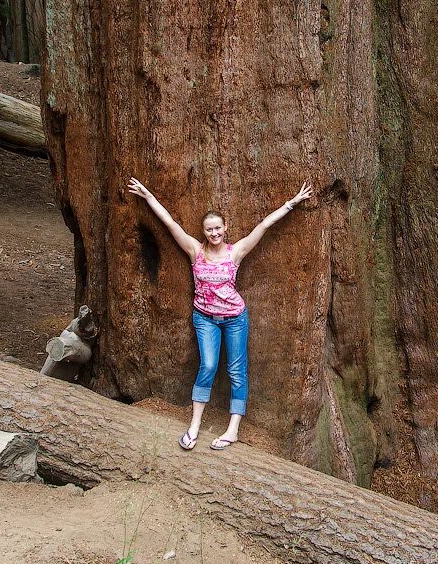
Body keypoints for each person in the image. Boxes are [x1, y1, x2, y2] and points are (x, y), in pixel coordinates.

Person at [127, 177, 313, 451]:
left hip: (236, 318)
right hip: (205, 319)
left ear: (226, 228)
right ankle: (194, 426)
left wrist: (291, 203)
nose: (214, 233)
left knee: (237, 372)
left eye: (218, 228)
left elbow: (263, 226)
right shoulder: (195, 251)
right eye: (209, 229)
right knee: (209, 366)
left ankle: (233, 429)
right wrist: (147, 195)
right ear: (203, 232)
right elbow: (170, 224)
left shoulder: (235, 252)